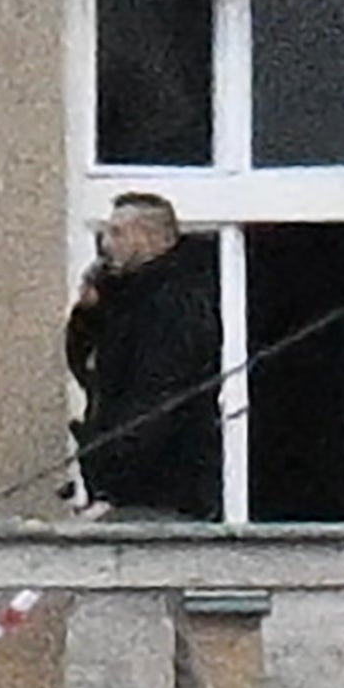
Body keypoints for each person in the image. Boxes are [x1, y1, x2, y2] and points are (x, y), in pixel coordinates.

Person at [65, 190, 222, 519]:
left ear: (151, 237)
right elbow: (87, 370)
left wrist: (114, 469)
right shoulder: (123, 298)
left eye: (118, 233)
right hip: (123, 485)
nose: (106, 243)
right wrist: (87, 316)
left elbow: (156, 400)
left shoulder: (174, 303)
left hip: (163, 489)